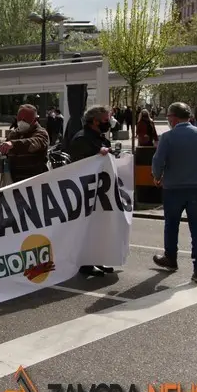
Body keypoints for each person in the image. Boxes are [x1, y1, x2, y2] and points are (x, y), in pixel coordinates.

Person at [151, 102, 197, 284]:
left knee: (172, 225)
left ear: (173, 118)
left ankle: (171, 259)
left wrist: (157, 177)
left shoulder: (168, 137)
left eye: (169, 117)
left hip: (173, 188)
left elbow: (158, 162)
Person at [68, 106, 117, 277]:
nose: (108, 122)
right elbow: (80, 164)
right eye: (105, 119)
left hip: (101, 190)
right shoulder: (82, 139)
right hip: (86, 191)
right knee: (87, 228)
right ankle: (85, 264)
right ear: (95, 121)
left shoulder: (99, 138)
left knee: (99, 227)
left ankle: (97, 259)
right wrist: (98, 154)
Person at [0, 104, 49, 183]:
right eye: (20, 118)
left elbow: (34, 143)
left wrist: (13, 144)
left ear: (35, 119)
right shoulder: (13, 134)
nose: (22, 121)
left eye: (26, 119)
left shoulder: (41, 133)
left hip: (35, 182)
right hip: (14, 181)